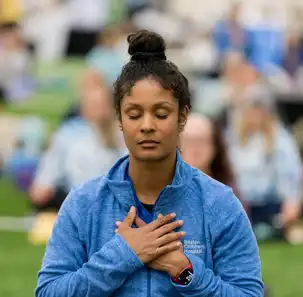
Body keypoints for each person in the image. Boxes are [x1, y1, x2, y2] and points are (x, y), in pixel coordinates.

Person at [36, 30, 263, 297]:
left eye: (161, 113)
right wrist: (124, 253)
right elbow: (49, 293)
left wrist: (185, 270)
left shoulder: (219, 203)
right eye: (134, 114)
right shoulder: (84, 203)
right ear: (119, 119)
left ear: (182, 117)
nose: (147, 126)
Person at [30, 72, 125, 212]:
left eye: (100, 105)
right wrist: (43, 184)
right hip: (74, 196)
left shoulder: (122, 133)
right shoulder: (68, 132)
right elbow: (51, 164)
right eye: (91, 105)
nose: (97, 111)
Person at [226, 85, 303, 241]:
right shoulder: (232, 139)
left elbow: (291, 174)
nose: (255, 115)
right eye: (251, 109)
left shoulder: (280, 139)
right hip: (240, 204)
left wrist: (292, 202)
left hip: (271, 203)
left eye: (259, 110)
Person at [181, 113, 235, 188]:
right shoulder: (165, 187)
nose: (195, 148)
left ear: (215, 147)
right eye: (188, 141)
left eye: (201, 141)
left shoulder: (227, 191)